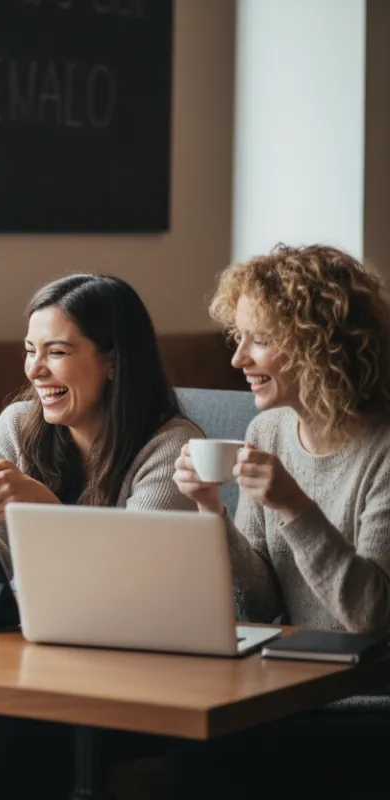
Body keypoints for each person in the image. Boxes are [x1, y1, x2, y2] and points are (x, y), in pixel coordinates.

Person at [0, 273, 200, 799]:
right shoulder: (18, 426)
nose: (34, 369)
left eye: (56, 351)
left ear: (113, 361)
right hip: (32, 661)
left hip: (138, 677)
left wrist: (41, 507)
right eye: (30, 350)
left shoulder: (171, 446)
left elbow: (132, 580)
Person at [167, 244, 390, 800]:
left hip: (370, 700)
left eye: (259, 340)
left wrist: (295, 508)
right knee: (191, 754)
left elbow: (371, 618)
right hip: (285, 689)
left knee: (217, 763)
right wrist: (210, 511)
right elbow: (259, 604)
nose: (239, 358)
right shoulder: (268, 435)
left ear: (324, 345)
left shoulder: (382, 452)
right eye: (237, 338)